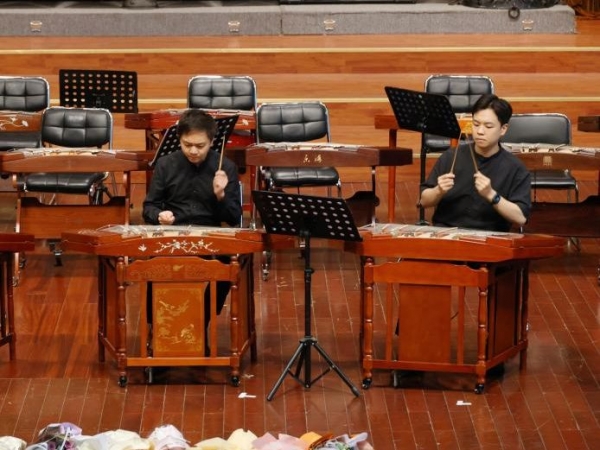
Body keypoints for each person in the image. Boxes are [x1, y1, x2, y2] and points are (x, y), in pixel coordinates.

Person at [142, 109, 242, 352]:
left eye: (200, 145)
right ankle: (159, 330)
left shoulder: (225, 167)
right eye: (187, 145)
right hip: (173, 234)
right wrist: (159, 216)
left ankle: (199, 322)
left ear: (211, 141)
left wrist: (220, 194)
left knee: (228, 266)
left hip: (210, 234)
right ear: (179, 139)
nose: (193, 151)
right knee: (154, 266)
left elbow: (233, 217)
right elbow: (149, 207)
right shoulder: (165, 164)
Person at [419, 94, 531, 232]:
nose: (480, 131)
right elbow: (423, 201)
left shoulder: (515, 168)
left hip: (490, 237)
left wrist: (491, 195)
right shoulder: (451, 156)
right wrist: (438, 191)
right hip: (447, 233)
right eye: (476, 124)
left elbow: (521, 218)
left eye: (488, 126)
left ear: (503, 129)